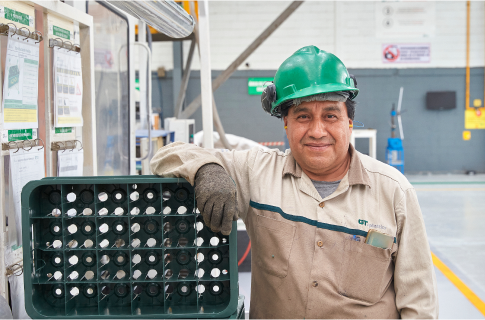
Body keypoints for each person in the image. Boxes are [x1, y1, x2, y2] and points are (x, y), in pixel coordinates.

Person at [150, 45, 438, 319]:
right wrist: (207, 169)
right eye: (303, 116)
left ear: (348, 122)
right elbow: (165, 156)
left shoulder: (393, 191)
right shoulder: (257, 173)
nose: (317, 130)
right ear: (285, 123)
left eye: (330, 115)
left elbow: (419, 301)